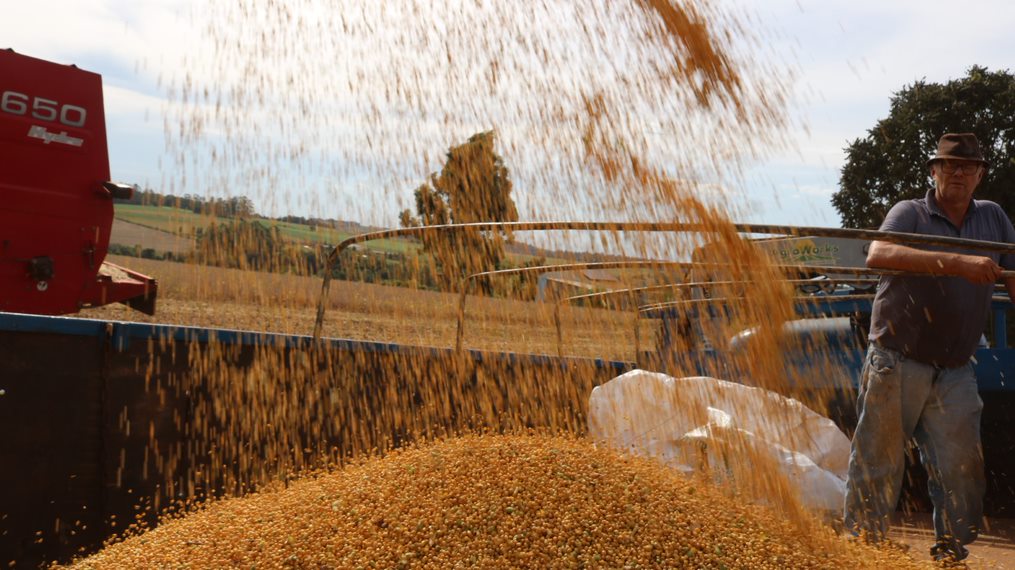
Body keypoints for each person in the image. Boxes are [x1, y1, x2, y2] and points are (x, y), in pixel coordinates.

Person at [843, 133, 1015, 562]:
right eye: (949, 166)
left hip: (955, 367)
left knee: (961, 470)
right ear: (933, 171)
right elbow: (878, 254)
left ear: (979, 176)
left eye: (967, 167)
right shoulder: (911, 213)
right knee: (879, 464)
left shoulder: (993, 218)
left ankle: (950, 550)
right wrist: (957, 262)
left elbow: (1011, 272)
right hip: (897, 359)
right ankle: (863, 552)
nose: (958, 173)